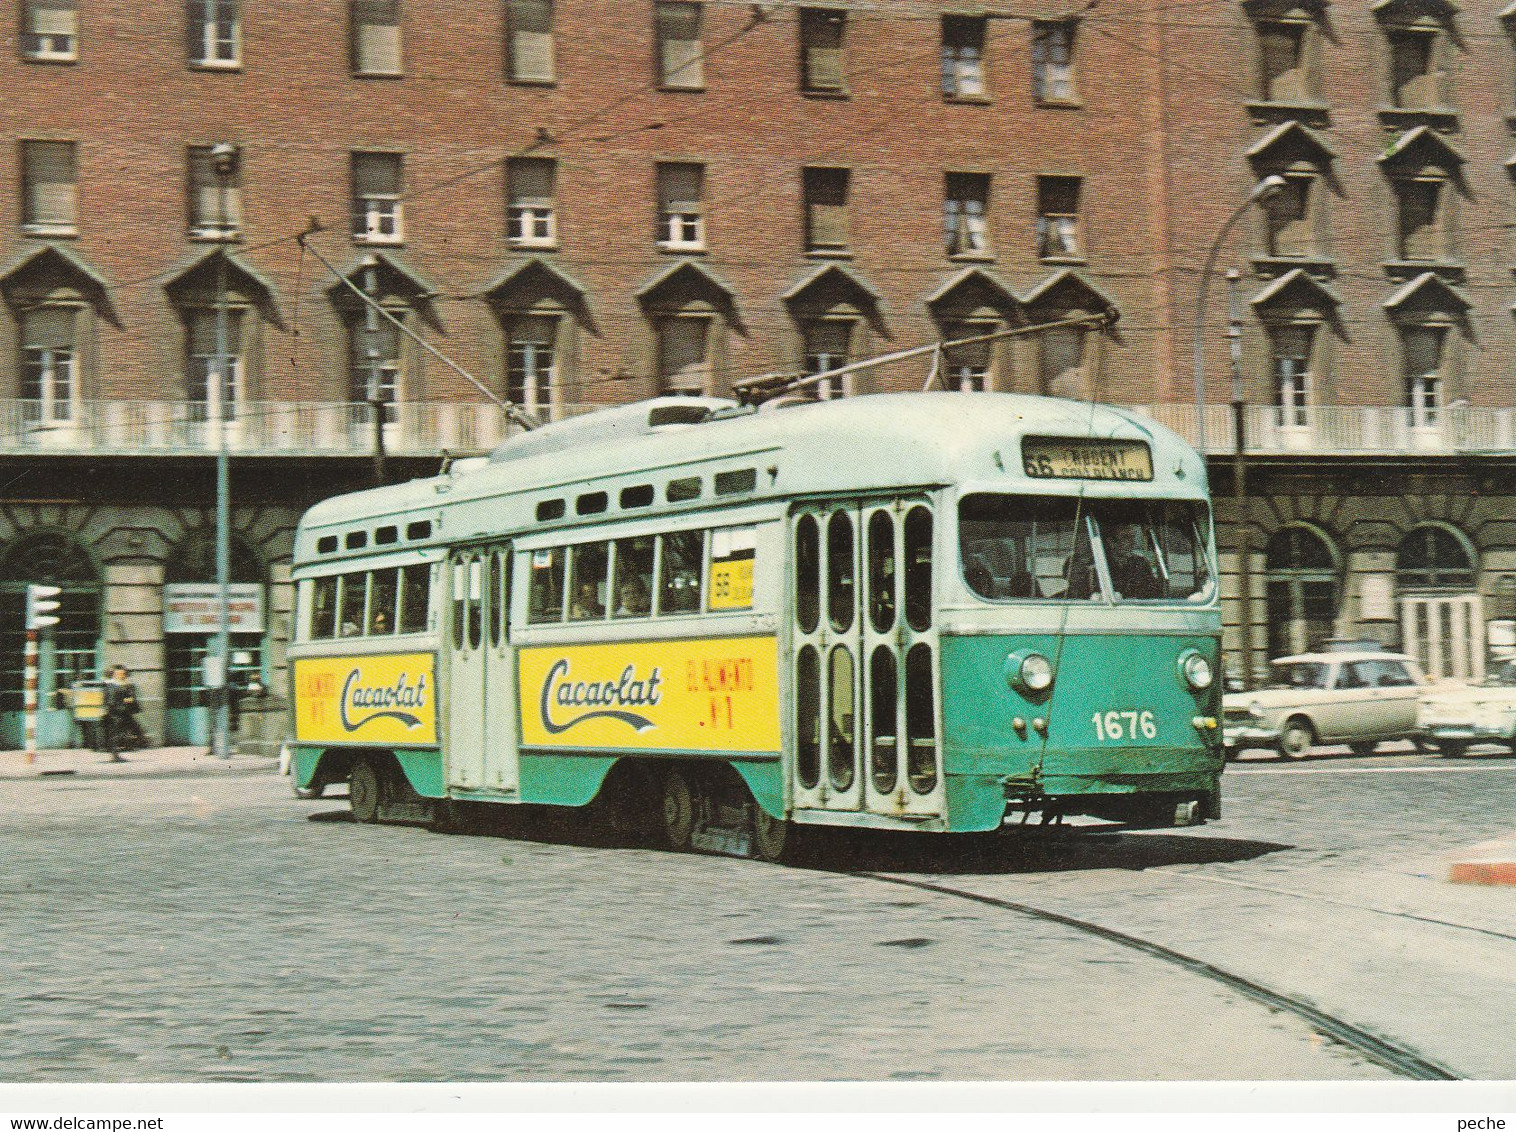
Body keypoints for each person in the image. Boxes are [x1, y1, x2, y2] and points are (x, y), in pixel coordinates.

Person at [104, 664, 147, 761]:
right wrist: (123, 702)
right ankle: (115, 755)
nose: (122, 675)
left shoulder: (126, 685)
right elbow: (111, 700)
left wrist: (128, 699)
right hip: (116, 713)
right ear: (114, 674)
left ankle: (123, 749)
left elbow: (131, 697)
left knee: (136, 730)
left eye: (123, 673)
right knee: (116, 733)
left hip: (125, 712)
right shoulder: (111, 685)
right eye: (119, 673)